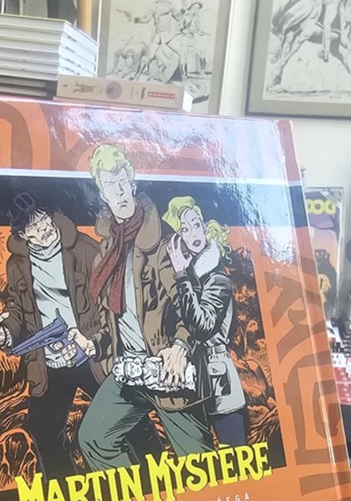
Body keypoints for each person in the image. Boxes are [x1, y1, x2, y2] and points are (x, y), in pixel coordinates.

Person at [69, 146, 214, 469]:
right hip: (131, 370)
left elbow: (191, 302)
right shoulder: (108, 250)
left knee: (203, 468)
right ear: (102, 194)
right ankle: (139, 498)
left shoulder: (163, 241)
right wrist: (93, 343)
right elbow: (110, 318)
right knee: (94, 438)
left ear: (132, 184)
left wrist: (180, 346)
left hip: (169, 370)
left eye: (122, 181)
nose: (119, 191)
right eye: (110, 185)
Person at [0, 196, 102, 477]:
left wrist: (91, 340)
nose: (43, 229)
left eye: (44, 219)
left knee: (127, 417)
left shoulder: (85, 249)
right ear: (21, 235)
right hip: (50, 364)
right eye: (33, 227)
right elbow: (17, 310)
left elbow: (110, 304)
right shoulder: (17, 265)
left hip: (92, 356)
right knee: (44, 429)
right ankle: (66, 491)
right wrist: (2, 332)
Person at [163, 196, 249, 447]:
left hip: (218, 380)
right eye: (185, 229)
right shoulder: (186, 276)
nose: (193, 233)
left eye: (196, 225)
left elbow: (202, 327)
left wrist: (182, 276)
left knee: (235, 455)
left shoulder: (217, 279)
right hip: (191, 380)